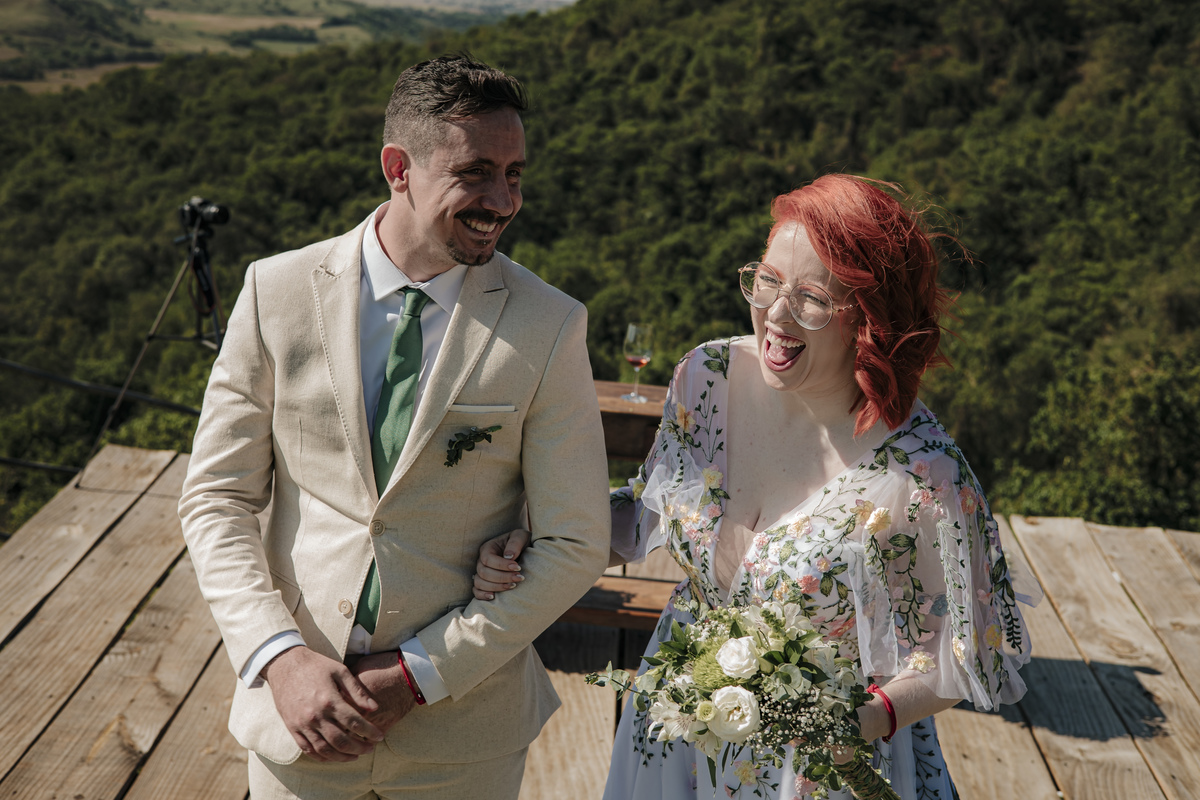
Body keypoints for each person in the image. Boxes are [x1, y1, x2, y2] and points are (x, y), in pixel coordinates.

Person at [474, 174, 1038, 799]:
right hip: (677, 727)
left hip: (817, 765)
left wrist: (866, 717)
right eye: (768, 281)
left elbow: (973, 647)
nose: (776, 314)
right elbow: (650, 512)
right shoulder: (707, 377)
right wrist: (538, 535)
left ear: (870, 318)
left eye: (812, 298)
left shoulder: (923, 472)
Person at [178, 54, 611, 800]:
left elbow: (576, 542)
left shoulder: (551, 325)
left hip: (464, 739)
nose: (502, 200)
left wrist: (419, 673)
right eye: (475, 172)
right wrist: (279, 658)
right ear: (398, 168)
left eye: (514, 174)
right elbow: (216, 498)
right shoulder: (275, 291)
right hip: (300, 717)